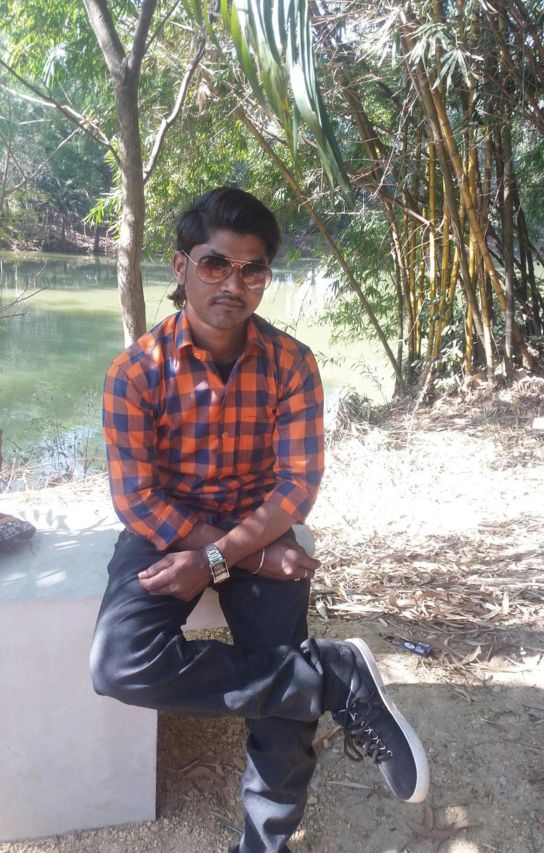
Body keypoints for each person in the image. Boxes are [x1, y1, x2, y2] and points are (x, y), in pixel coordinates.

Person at [91, 187, 429, 853]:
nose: (233, 283)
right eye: (215, 263)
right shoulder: (136, 371)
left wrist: (230, 554)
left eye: (253, 270)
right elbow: (136, 498)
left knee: (281, 719)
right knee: (120, 664)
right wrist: (241, 556)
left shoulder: (291, 362)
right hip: (169, 529)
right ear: (181, 266)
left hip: (260, 521)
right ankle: (332, 675)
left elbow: (296, 485)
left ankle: (264, 842)